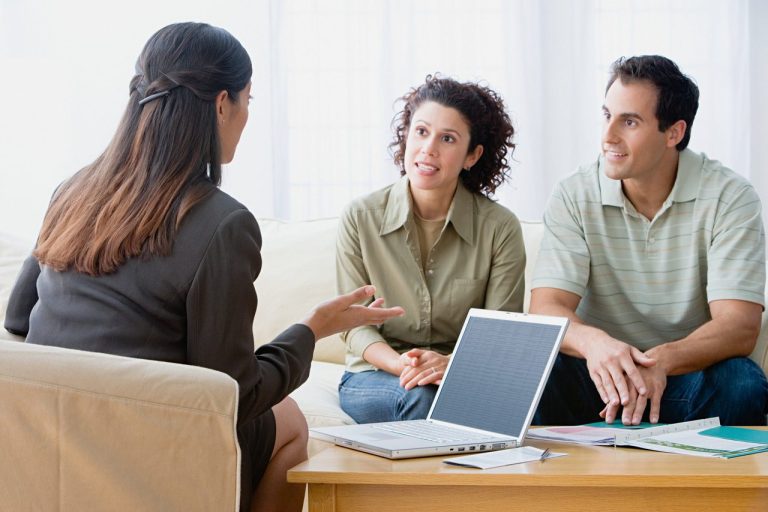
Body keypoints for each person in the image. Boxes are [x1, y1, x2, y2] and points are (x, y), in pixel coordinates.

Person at [3, 22, 403, 512]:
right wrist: (312, 329)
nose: (247, 115)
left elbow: (18, 321)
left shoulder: (73, 191)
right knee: (293, 422)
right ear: (221, 104)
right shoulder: (221, 222)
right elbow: (234, 393)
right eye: (248, 100)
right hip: (157, 448)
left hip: (59, 445)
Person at [530, 55, 768, 427]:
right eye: (607, 115)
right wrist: (597, 346)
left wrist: (661, 362)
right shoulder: (574, 194)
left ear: (673, 133)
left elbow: (739, 325)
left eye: (629, 122)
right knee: (533, 372)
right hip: (597, 374)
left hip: (683, 375)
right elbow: (547, 307)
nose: (608, 136)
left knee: (743, 385)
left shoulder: (730, 197)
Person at [336, 75, 525, 424]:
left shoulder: (499, 228)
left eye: (448, 139)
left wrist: (451, 365)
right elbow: (353, 324)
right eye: (421, 131)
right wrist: (403, 365)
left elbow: (500, 335)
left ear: (472, 155)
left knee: (521, 399)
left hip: (462, 374)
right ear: (406, 136)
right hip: (376, 375)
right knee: (423, 397)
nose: (428, 149)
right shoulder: (360, 218)